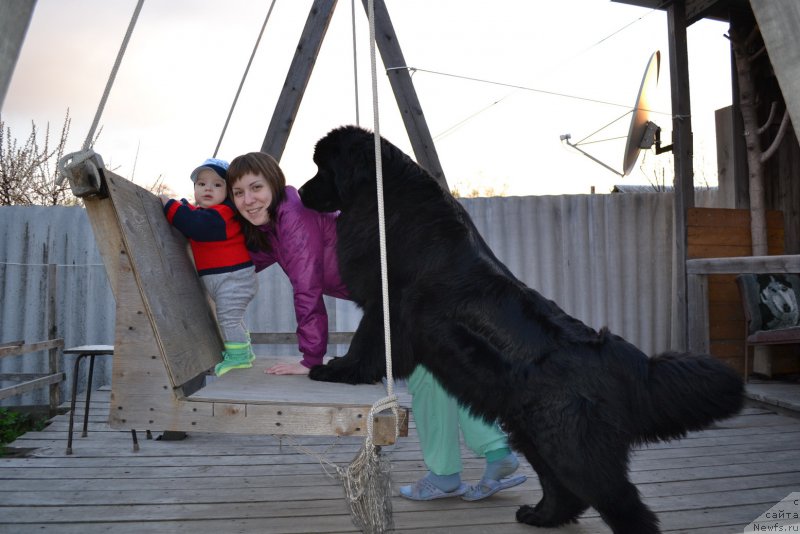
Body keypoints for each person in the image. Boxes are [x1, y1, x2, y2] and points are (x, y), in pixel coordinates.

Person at [226, 150, 525, 499]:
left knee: (430, 371)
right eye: (238, 192)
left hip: (407, 287)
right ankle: (490, 453)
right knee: (432, 372)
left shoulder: (292, 219)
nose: (248, 200)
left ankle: (461, 467)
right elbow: (250, 259)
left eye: (256, 187)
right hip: (407, 288)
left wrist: (310, 359)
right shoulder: (275, 226)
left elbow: (306, 289)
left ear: (274, 184)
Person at [160, 158, 257, 376]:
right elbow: (195, 220)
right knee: (233, 318)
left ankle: (239, 358)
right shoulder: (209, 215)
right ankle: (245, 351)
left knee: (228, 318)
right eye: (201, 184)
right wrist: (186, 207)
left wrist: (170, 205)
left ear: (228, 191)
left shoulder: (224, 214)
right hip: (227, 280)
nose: (208, 189)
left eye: (217, 184)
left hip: (233, 279)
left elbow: (195, 225)